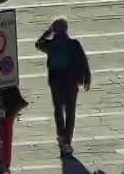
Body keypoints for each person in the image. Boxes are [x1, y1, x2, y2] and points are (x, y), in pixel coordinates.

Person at [35, 19, 90, 156]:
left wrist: (48, 32)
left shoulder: (50, 44)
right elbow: (83, 61)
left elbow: (37, 44)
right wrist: (87, 79)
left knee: (58, 110)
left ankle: (60, 135)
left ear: (55, 30)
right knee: (70, 112)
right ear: (66, 29)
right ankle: (67, 142)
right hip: (71, 83)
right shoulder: (74, 44)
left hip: (56, 83)